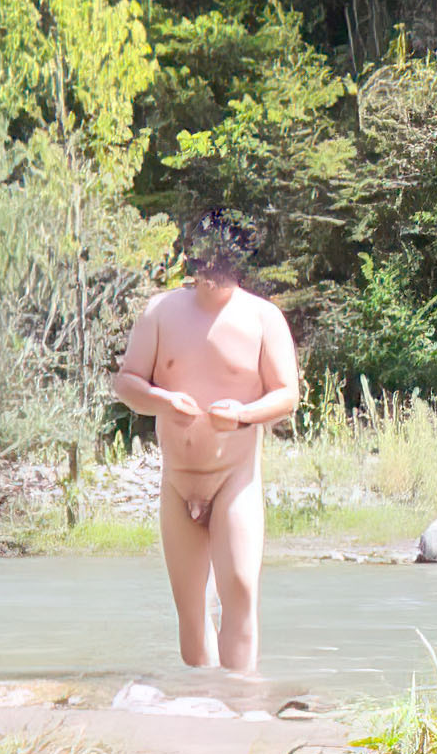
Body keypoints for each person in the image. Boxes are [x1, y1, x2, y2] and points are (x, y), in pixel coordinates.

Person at [113, 248, 300, 678]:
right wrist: (161, 399)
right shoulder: (159, 311)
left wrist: (242, 414)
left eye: (225, 265)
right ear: (195, 263)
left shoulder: (263, 318)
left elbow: (287, 394)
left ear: (241, 265)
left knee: (240, 590)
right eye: (207, 264)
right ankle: (203, 713)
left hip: (235, 480)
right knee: (191, 612)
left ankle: (239, 703)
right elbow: (127, 382)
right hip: (178, 482)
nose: (215, 275)